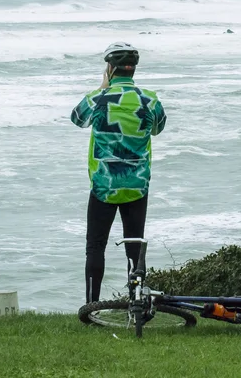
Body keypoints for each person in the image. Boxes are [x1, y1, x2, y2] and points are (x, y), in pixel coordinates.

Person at [70, 42, 166, 303]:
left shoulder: (97, 99)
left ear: (109, 69)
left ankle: (92, 306)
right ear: (133, 71)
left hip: (104, 186)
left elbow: (77, 118)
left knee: (95, 247)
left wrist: (102, 89)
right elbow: (157, 129)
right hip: (137, 185)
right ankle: (135, 304)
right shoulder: (150, 100)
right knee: (134, 249)